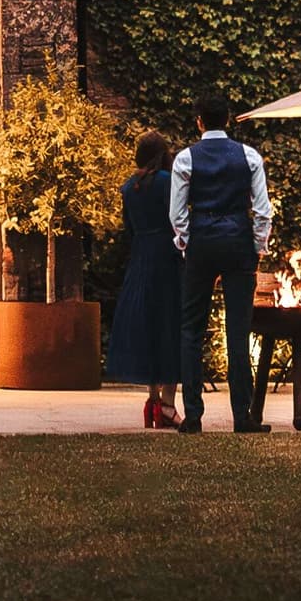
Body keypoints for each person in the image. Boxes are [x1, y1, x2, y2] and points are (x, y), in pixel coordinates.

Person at [170, 94, 274, 433]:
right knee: (239, 330)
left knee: (191, 330)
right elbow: (262, 210)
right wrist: (258, 246)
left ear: (199, 121)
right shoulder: (249, 156)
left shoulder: (186, 158)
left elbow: (176, 212)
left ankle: (193, 416)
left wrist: (187, 244)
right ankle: (242, 416)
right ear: (228, 120)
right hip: (238, 241)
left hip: (202, 241)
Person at [106, 129, 185, 428]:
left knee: (148, 326)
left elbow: (128, 229)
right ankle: (167, 403)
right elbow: (178, 218)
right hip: (166, 257)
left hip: (140, 258)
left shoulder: (129, 187)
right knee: (170, 326)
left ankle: (152, 400)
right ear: (163, 155)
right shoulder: (167, 182)